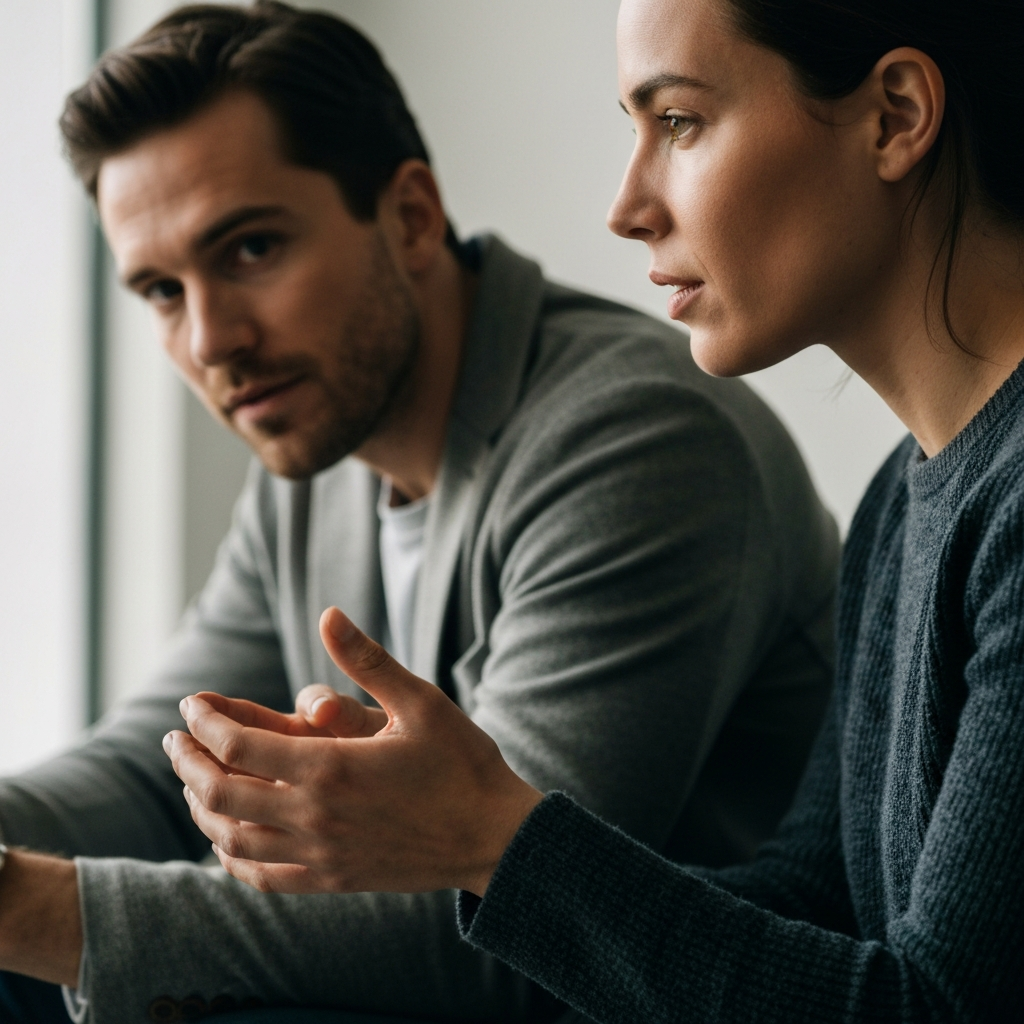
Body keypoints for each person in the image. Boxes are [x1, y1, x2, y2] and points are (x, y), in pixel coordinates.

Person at [169, 0, 1024, 1021]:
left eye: (678, 122)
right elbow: (816, 911)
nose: (626, 206)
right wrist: (477, 843)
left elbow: (936, 1010)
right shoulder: (902, 495)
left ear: (893, 116)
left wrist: (494, 835)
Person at [0, 2, 840, 1022]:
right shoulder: (313, 457)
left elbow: (507, 915)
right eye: (162, 292)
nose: (213, 338)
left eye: (251, 249)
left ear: (407, 216)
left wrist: (28, 906)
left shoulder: (636, 436)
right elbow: (157, 766)